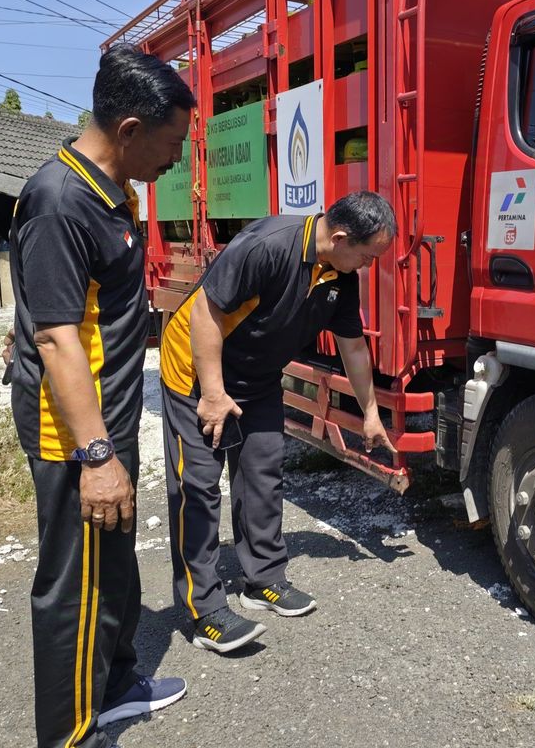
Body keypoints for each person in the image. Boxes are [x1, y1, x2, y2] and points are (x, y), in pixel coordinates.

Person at [9, 46, 195, 748]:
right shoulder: (60, 200)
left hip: (108, 418)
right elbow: (56, 339)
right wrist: (95, 457)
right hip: (73, 433)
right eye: (172, 145)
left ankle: (116, 686)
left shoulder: (111, 189)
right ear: (127, 128)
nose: (175, 160)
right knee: (74, 586)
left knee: (114, 562)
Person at [159, 192, 398, 654]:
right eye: (367, 256)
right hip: (196, 371)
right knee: (199, 488)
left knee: (263, 475)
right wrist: (212, 394)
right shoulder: (269, 244)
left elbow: (352, 347)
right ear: (342, 237)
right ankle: (203, 610)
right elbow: (206, 313)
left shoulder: (340, 273)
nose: (368, 266)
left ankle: (262, 580)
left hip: (258, 376)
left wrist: (370, 413)